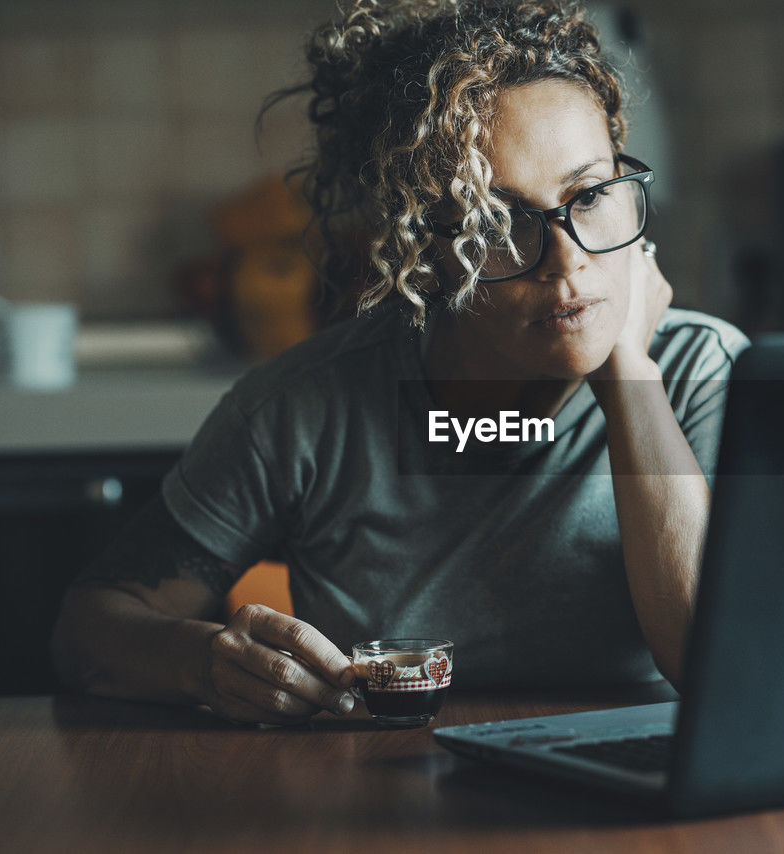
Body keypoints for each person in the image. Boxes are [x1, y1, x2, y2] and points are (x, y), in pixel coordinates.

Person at [51, 0, 748, 725]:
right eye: (498, 221)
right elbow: (89, 629)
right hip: (386, 804)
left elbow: (719, 667)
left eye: (592, 195)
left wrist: (630, 374)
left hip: (633, 816)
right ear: (423, 244)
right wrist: (206, 662)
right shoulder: (306, 407)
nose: (568, 262)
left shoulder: (706, 372)